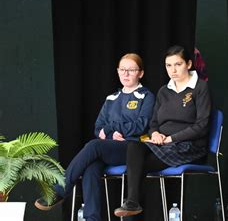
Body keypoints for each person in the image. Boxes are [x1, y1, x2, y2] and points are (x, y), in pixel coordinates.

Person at [35, 53, 155, 221]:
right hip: (111, 147)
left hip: (132, 149)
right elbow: (98, 128)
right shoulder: (111, 98)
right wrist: (112, 133)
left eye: (131, 70)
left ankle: (61, 190)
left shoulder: (147, 96)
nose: (126, 74)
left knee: (94, 146)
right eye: (122, 70)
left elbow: (141, 126)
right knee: (91, 167)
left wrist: (112, 127)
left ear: (140, 73)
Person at [114, 45, 211, 217]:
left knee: (137, 165)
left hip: (189, 146)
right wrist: (156, 134)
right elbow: (153, 124)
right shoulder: (163, 91)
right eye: (168, 65)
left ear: (188, 64)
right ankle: (132, 203)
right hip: (163, 145)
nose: (173, 70)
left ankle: (133, 203)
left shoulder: (200, 88)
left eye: (178, 64)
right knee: (135, 147)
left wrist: (171, 138)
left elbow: (202, 126)